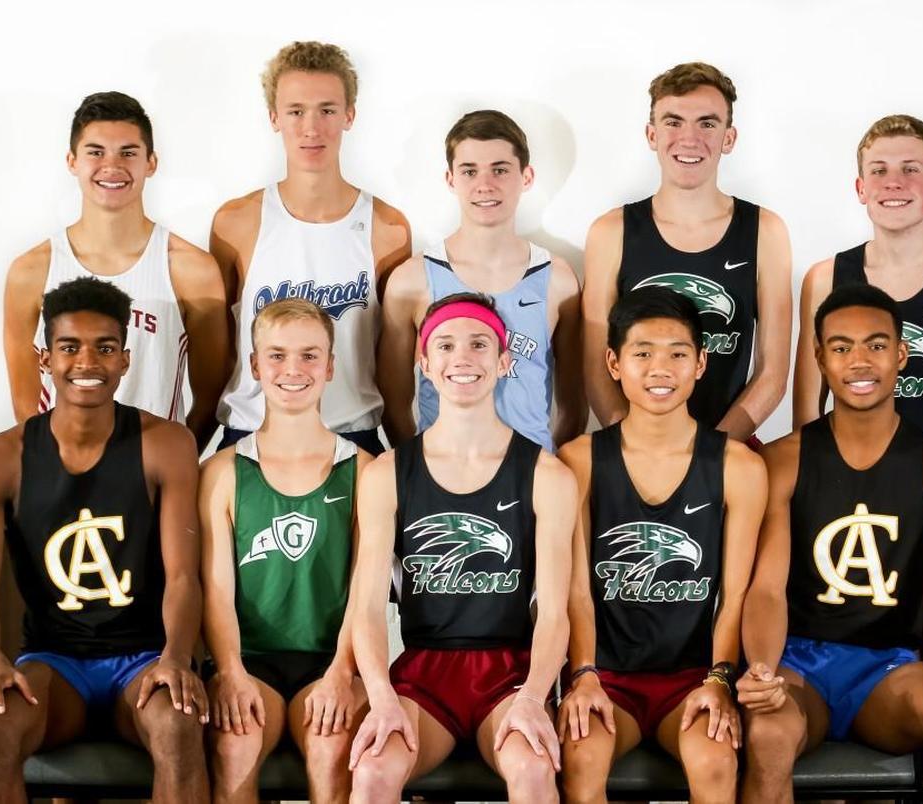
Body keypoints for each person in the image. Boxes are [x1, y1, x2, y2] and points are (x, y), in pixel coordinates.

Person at [739, 284, 923, 804]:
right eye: (840, 347)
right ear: (819, 358)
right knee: (768, 731)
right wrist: (763, 670)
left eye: (876, 345)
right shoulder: (783, 462)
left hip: (888, 670)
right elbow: (765, 590)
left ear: (901, 354)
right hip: (798, 665)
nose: (860, 361)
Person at [0, 277, 209, 803]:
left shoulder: (165, 445)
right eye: (70, 347)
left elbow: (184, 575)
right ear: (45, 359)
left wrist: (176, 656)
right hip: (54, 664)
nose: (87, 363)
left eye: (105, 347)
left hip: (142, 659)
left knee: (179, 724)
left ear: (125, 359)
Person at [345, 293, 576, 803]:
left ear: (504, 360)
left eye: (479, 344)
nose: (463, 358)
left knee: (534, 770)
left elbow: (556, 614)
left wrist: (536, 697)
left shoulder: (547, 475)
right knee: (372, 772)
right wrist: (381, 698)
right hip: (425, 675)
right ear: (425, 364)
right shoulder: (387, 473)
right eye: (446, 345)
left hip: (510, 676)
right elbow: (364, 608)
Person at [792, 114, 923, 633]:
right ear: (860, 187)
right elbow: (806, 411)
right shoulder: (824, 278)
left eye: (911, 169)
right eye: (880, 170)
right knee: (838, 639)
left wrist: (921, 488)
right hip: (841, 491)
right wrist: (841, 489)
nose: (894, 182)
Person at [557, 287, 766, 803]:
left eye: (677, 353)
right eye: (642, 353)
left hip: (692, 676)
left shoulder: (739, 467)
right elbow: (576, 592)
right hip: (606, 676)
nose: (660, 368)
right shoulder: (578, 460)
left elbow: (734, 594)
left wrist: (719, 679)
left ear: (701, 363)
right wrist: (583, 676)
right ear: (613, 362)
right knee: (582, 759)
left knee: (715, 762)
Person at [200, 298, 372, 803]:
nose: (292, 369)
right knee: (236, 747)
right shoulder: (223, 472)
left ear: (331, 366)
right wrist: (229, 671)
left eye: (309, 355)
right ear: (254, 366)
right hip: (249, 660)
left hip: (331, 659)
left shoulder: (363, 469)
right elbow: (215, 588)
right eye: (276, 356)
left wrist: (342, 671)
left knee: (332, 746)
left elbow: (366, 589)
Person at [213, 40, 411, 454]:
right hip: (253, 433)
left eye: (327, 110)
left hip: (351, 434)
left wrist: (407, 456)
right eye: (296, 111)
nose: (311, 127)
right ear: (274, 118)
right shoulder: (236, 222)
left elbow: (394, 364)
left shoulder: (387, 228)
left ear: (349, 115)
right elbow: (216, 349)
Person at [4, 91, 229, 449]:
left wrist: (171, 465)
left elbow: (211, 393)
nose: (112, 166)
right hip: (62, 479)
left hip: (152, 480)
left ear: (151, 163)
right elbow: (25, 401)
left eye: (128, 152)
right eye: (95, 152)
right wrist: (56, 470)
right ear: (72, 161)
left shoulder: (191, 269)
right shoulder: (31, 271)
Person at [582, 62, 792, 441]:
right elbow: (596, 364)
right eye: (673, 122)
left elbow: (773, 372)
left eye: (707, 124)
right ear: (651, 134)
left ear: (729, 138)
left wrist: (713, 453)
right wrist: (635, 451)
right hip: (632, 450)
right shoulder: (611, 232)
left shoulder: (766, 231)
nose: (689, 138)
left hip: (728, 444)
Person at [378, 109, 583, 451]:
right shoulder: (412, 280)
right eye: (469, 171)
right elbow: (395, 404)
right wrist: (423, 465)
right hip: (441, 474)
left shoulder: (557, 280)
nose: (484, 185)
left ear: (527, 176)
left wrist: (545, 465)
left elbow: (574, 402)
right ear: (450, 179)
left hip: (530, 477)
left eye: (500, 170)